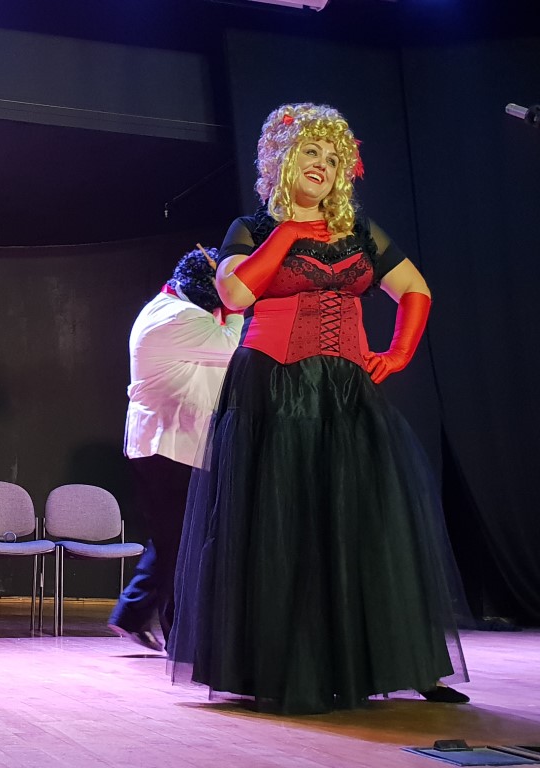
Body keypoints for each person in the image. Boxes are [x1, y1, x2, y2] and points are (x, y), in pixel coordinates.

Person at [167, 103, 470, 714]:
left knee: (366, 525)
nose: (323, 166)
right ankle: (285, 665)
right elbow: (235, 293)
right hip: (273, 389)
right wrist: (286, 233)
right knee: (285, 526)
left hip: (346, 394)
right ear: (283, 158)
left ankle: (397, 662)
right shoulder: (251, 227)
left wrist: (397, 353)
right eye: (312, 152)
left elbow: (415, 289)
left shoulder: (360, 231)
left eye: (334, 159)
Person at [109, 247, 242, 652]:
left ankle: (139, 615)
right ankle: (172, 631)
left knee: (173, 538)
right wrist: (236, 306)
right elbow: (233, 345)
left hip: (166, 443)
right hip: (170, 445)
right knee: (181, 543)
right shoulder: (181, 317)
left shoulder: (168, 307)